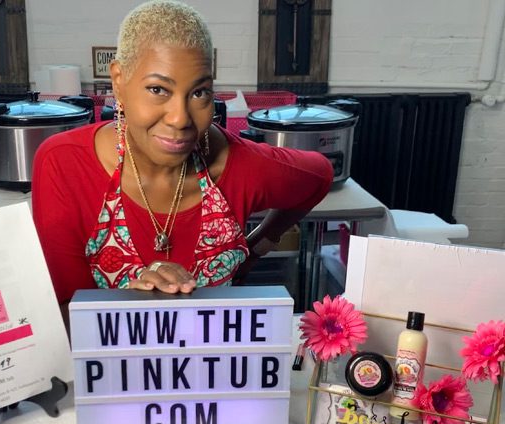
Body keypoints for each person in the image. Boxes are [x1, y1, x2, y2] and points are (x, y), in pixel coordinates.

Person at [32, 0, 333, 315]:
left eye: (199, 92)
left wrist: (260, 244)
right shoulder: (63, 163)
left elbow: (319, 176)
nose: (180, 119)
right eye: (158, 90)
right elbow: (62, 315)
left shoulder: (240, 164)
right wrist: (125, 309)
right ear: (119, 81)